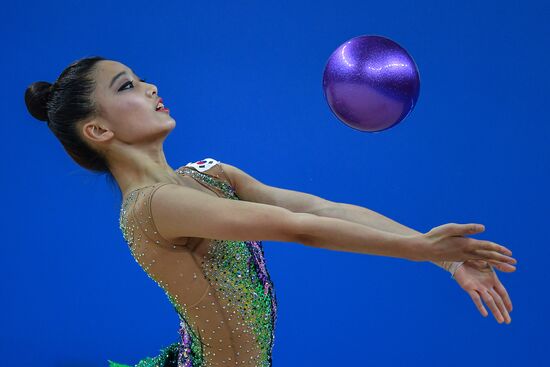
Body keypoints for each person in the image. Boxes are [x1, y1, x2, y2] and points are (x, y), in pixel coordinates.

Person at [24, 56, 516, 367]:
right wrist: (419, 249)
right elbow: (297, 229)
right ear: (98, 131)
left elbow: (321, 208)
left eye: (142, 77)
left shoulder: (207, 174)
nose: (151, 86)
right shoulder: (153, 206)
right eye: (127, 86)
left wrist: (444, 257)